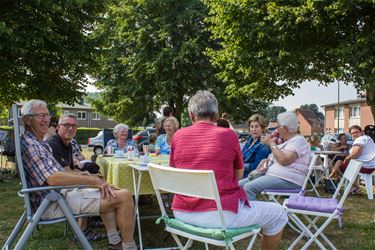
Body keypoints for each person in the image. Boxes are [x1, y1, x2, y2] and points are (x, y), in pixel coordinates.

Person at [170, 91, 287, 250]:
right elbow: (238, 175)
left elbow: (174, 173)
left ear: (191, 115)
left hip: (182, 212)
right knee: (279, 213)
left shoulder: (177, 136)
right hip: (220, 214)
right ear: (217, 115)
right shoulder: (228, 135)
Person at [20, 99, 136, 250]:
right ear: (28, 120)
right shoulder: (33, 144)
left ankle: (115, 242)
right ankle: (129, 247)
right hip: (51, 202)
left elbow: (60, 172)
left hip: (57, 195)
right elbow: (53, 178)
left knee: (108, 190)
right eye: (41, 115)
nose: (47, 119)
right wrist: (92, 180)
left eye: (47, 115)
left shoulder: (38, 142)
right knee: (125, 196)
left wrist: (90, 179)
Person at [240, 111, 311, 201]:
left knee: (248, 188)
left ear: (285, 128)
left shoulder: (299, 141)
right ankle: (240, 212)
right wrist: (267, 159)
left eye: (278, 127)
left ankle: (254, 214)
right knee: (239, 185)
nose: (277, 130)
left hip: (289, 180)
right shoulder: (289, 141)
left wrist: (271, 143)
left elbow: (284, 160)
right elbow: (278, 157)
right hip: (275, 176)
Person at [330, 125, 375, 194]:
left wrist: (347, 158)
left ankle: (356, 187)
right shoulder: (368, 139)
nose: (354, 134)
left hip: (365, 166)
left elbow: (355, 154)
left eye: (356, 132)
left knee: (339, 168)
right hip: (370, 165)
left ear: (361, 132)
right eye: (352, 133)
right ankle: (353, 188)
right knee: (349, 167)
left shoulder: (360, 139)